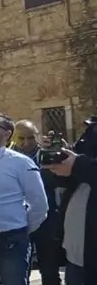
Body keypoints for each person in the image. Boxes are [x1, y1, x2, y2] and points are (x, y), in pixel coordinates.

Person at [0, 112, 49, 285]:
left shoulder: (20, 163)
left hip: (11, 241)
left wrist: (20, 229)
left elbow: (39, 205)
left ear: (7, 134)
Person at [41, 118, 97, 285]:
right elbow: (66, 179)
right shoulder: (92, 130)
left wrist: (78, 164)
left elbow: (83, 166)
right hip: (76, 253)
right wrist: (61, 155)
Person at [11, 120, 62, 285]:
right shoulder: (6, 157)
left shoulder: (48, 155)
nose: (26, 143)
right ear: (13, 137)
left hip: (47, 216)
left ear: (38, 136)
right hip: (17, 217)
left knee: (49, 266)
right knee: (19, 269)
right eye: (21, 138)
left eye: (31, 138)